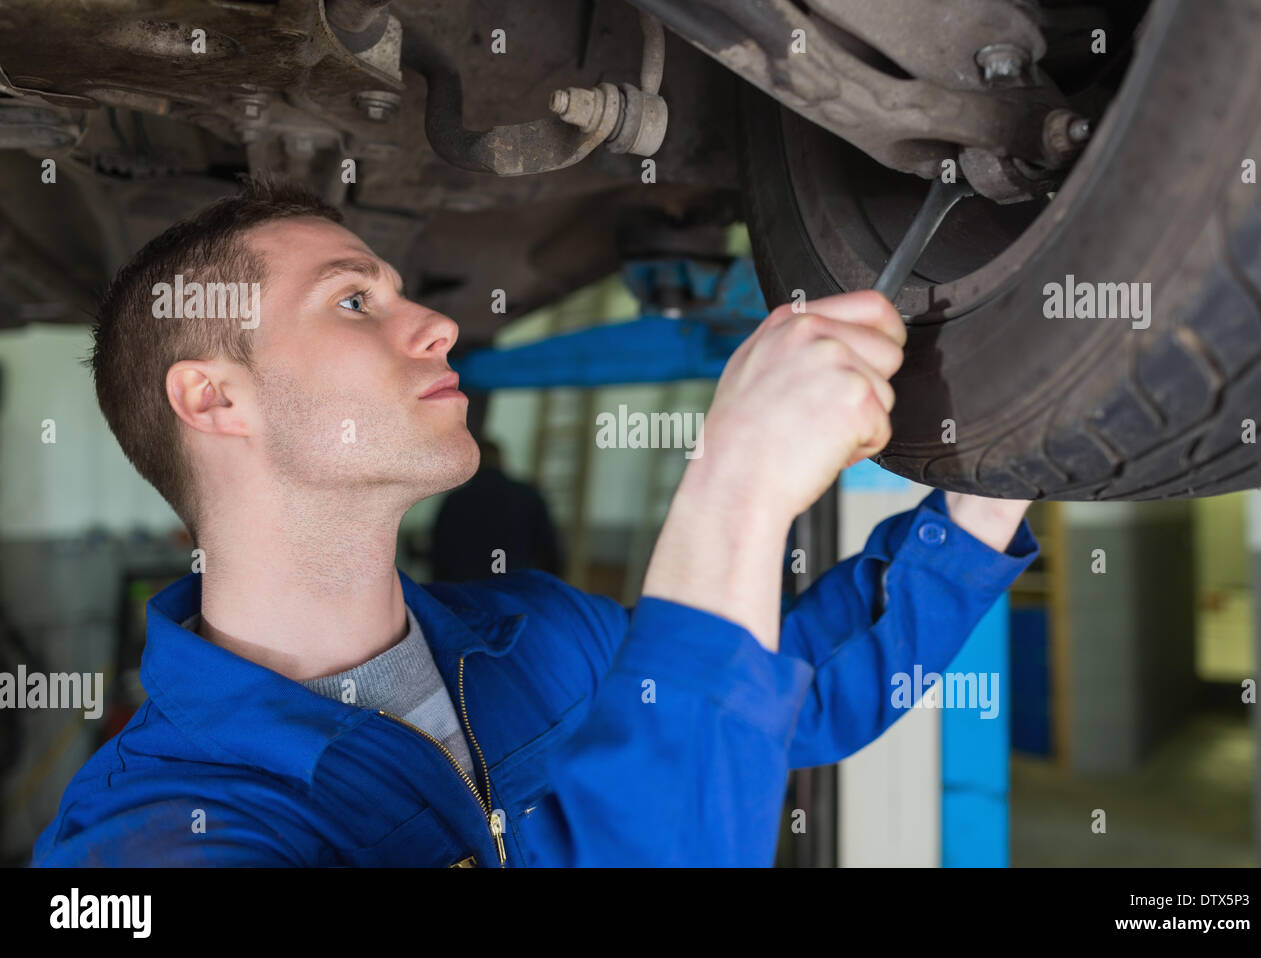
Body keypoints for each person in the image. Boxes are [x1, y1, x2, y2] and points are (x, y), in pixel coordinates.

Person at [31, 178, 1037, 867]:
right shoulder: (148, 831)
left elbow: (795, 689)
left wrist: (998, 474)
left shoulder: (536, 630)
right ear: (213, 400)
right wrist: (731, 488)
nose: (436, 324)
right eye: (350, 301)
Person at [431, 439, 563, 581]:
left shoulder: (454, 500)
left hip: (463, 592)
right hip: (514, 589)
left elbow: (438, 554)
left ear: (472, 462)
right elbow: (550, 554)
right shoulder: (528, 494)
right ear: (501, 460)